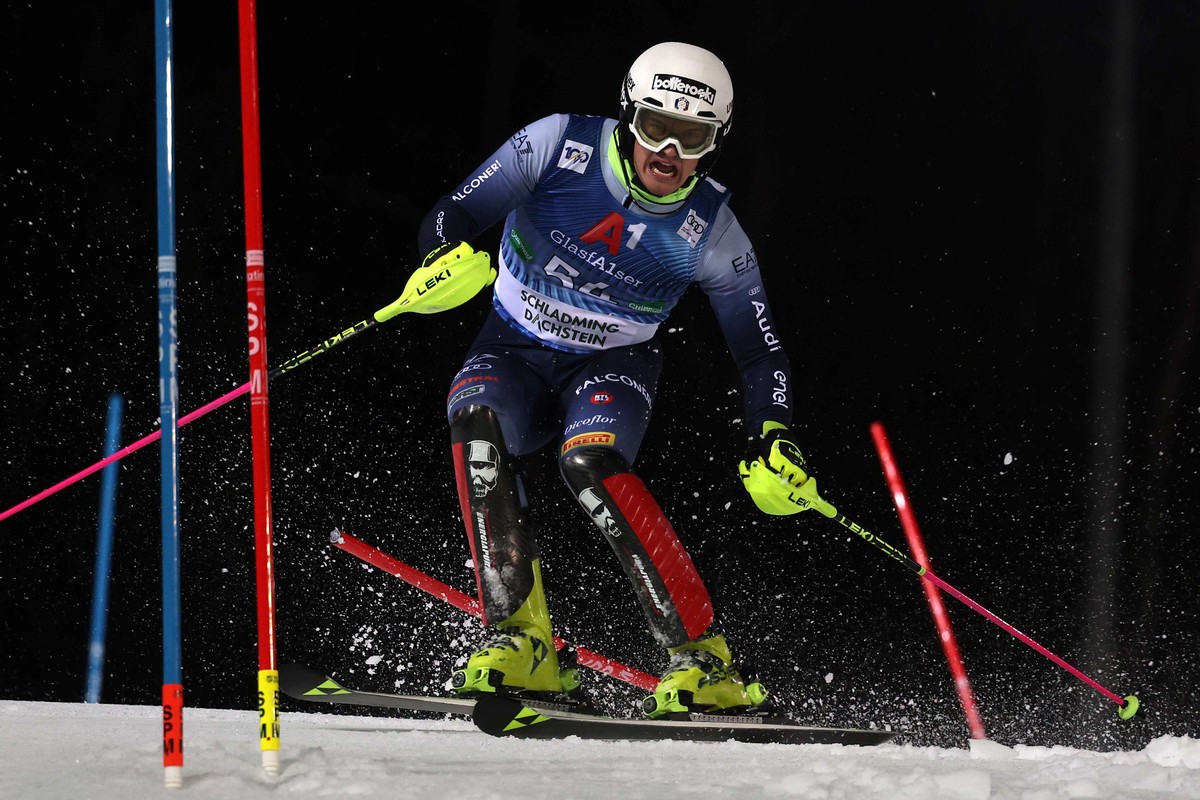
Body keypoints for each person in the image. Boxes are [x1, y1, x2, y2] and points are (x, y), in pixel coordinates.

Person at [413, 41, 832, 718]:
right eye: (653, 126)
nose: (667, 151)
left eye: (690, 136)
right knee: (476, 424)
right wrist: (442, 255)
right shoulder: (555, 145)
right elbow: (451, 211)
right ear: (625, 115)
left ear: (714, 142)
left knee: (590, 462)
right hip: (512, 349)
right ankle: (524, 645)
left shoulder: (712, 230)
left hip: (612, 365)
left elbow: (761, 353)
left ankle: (703, 659)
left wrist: (773, 435)